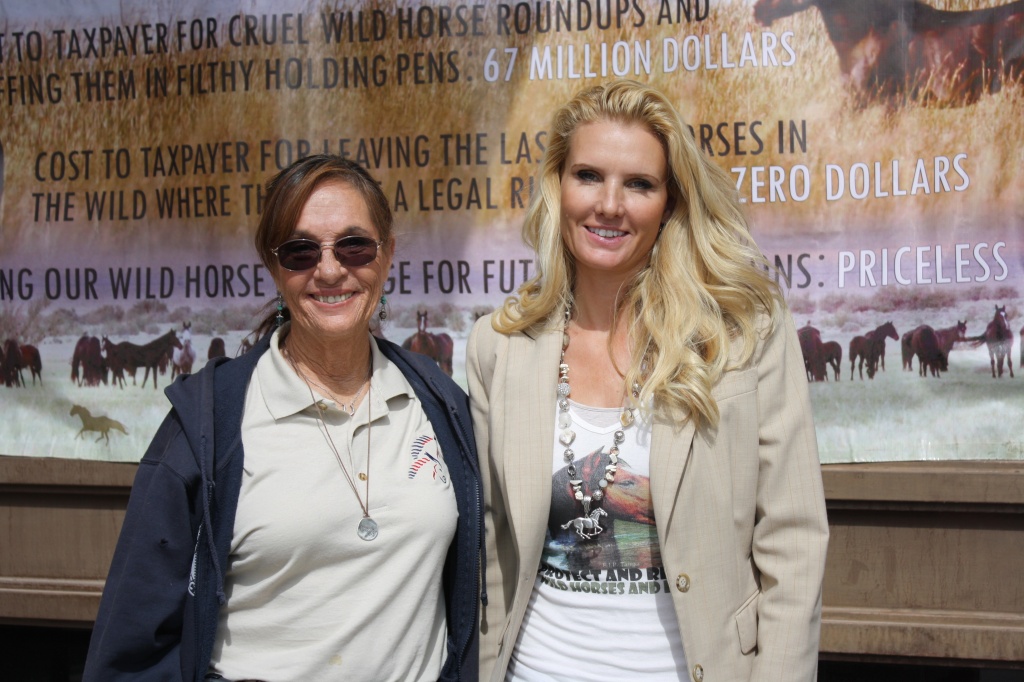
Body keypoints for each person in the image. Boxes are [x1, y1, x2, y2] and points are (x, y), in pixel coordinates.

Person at [467, 80, 828, 682]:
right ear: (558, 186)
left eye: (639, 184)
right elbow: (490, 549)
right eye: (588, 176)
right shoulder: (500, 346)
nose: (609, 204)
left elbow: (794, 541)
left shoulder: (744, 333)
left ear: (670, 202)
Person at [84, 155, 482, 682]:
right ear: (274, 268)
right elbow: (134, 644)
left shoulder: (437, 401)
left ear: (386, 256)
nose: (330, 269)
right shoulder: (209, 424)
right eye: (301, 251)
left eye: (354, 245)